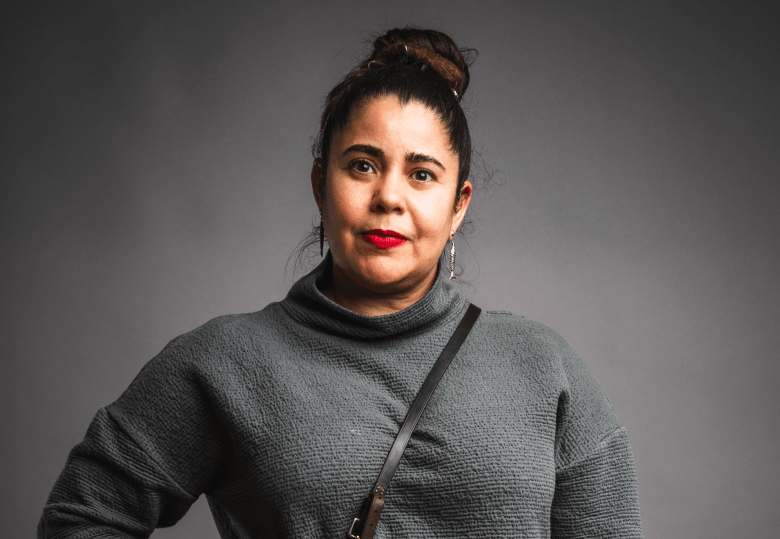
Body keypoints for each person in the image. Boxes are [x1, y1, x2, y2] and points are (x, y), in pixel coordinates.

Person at [38, 28, 643, 538]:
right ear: (319, 183)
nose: (388, 197)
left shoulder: (544, 368)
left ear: (458, 206)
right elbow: (81, 518)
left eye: (422, 174)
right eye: (362, 166)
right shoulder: (224, 362)